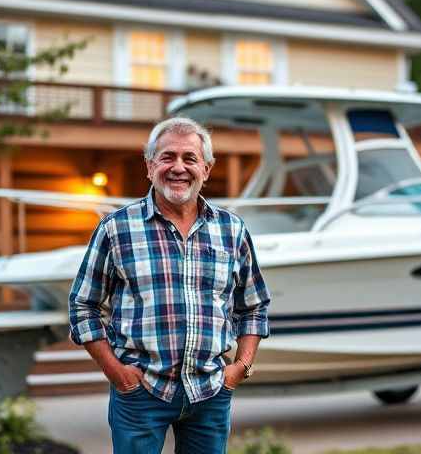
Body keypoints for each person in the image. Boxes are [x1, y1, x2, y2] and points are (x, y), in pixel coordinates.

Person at [68, 117, 270, 454]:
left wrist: (240, 368)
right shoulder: (116, 228)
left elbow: (254, 305)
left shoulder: (232, 230)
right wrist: (116, 372)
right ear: (149, 167)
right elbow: (82, 305)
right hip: (140, 393)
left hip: (210, 392)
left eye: (189, 158)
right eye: (167, 157)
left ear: (206, 168)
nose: (178, 167)